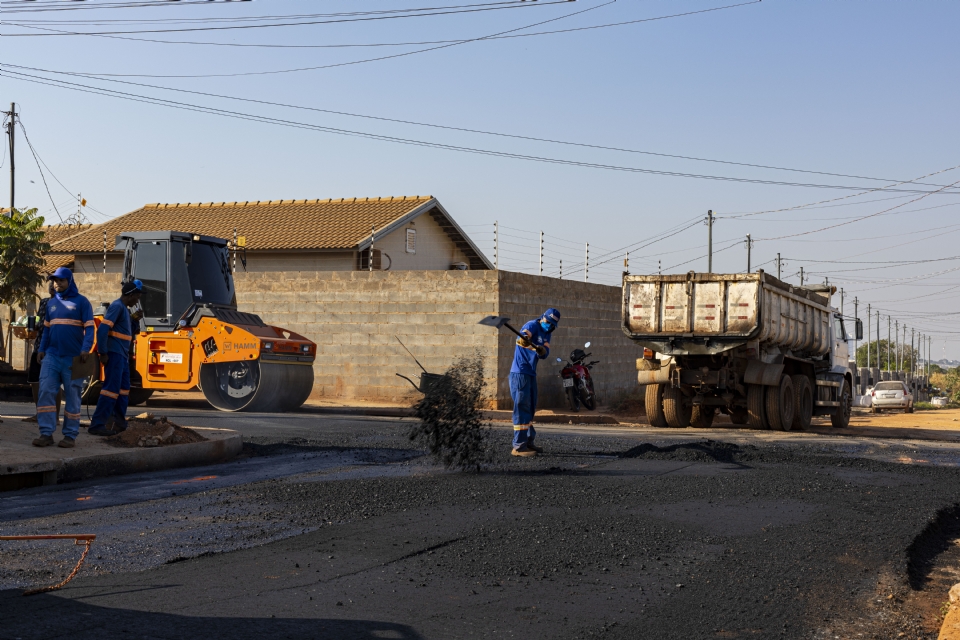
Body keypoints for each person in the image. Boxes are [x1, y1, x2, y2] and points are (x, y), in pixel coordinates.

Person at [33, 267, 94, 448]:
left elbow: (90, 329)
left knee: (73, 396)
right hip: (51, 356)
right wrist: (41, 349)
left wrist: (85, 349)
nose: (57, 283)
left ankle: (69, 436)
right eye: (54, 280)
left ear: (69, 281)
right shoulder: (52, 304)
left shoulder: (82, 302)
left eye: (61, 280)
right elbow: (47, 330)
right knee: (45, 391)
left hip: (74, 358)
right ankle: (46, 433)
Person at [88, 280, 142, 437]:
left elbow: (126, 333)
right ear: (131, 295)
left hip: (122, 356)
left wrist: (134, 321)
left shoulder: (124, 309)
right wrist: (103, 353)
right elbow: (103, 329)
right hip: (115, 354)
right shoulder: (117, 307)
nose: (138, 300)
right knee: (110, 391)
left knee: (123, 390)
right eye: (137, 296)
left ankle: (119, 423)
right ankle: (97, 424)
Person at [509, 308, 560, 457]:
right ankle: (518, 446)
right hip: (520, 373)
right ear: (543, 318)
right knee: (521, 407)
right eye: (547, 322)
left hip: (531, 373)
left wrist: (542, 351)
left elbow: (545, 352)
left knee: (530, 407)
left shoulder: (547, 333)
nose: (548, 326)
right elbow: (521, 339)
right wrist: (525, 339)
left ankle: (528, 442)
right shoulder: (532, 325)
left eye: (552, 325)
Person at [25, 281, 61, 422]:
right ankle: (39, 413)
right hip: (39, 346)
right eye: (50, 283)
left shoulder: (65, 303)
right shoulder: (44, 302)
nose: (52, 286)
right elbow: (42, 324)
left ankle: (56, 416)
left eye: (56, 283)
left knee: (54, 383)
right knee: (35, 381)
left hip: (53, 349)